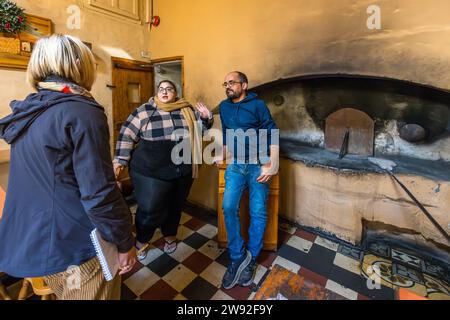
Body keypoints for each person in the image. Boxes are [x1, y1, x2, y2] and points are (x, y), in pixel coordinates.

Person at [0, 34, 137, 300]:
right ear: (77, 64)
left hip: (40, 243)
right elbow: (99, 194)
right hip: (79, 246)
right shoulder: (82, 111)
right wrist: (125, 241)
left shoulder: (31, 111)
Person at [114, 80, 213, 260]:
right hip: (149, 171)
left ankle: (169, 234)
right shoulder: (144, 111)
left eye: (169, 89)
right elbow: (126, 134)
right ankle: (142, 239)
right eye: (161, 89)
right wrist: (120, 160)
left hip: (181, 169)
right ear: (157, 93)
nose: (165, 92)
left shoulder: (186, 110)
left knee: (175, 205)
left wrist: (206, 118)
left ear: (176, 93)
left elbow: (199, 131)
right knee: (150, 208)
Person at [217, 71, 279, 290]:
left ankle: (251, 258)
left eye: (232, 82)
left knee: (258, 211)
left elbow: (271, 132)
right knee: (228, 206)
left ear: (244, 85)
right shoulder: (224, 107)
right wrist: (221, 155)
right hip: (236, 164)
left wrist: (272, 164)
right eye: (226, 83)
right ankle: (237, 256)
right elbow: (227, 136)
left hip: (258, 164)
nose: (228, 86)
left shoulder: (258, 105)